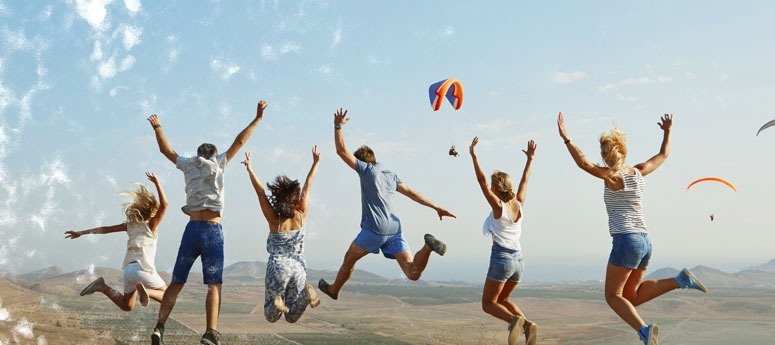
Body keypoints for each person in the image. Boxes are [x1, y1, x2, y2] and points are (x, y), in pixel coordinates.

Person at [556, 112, 708, 345]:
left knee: (612, 296)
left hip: (626, 241)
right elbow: (663, 155)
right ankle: (679, 280)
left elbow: (583, 164)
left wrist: (566, 138)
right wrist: (667, 131)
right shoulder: (638, 172)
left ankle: (644, 331)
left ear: (606, 157)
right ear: (623, 152)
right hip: (644, 241)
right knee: (631, 297)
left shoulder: (611, 177)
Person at [147, 100, 267, 345]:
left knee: (177, 282)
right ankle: (210, 333)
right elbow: (240, 142)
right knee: (214, 284)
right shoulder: (218, 163)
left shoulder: (188, 165)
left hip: (191, 229)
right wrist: (257, 119)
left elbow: (166, 151)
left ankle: (159, 326)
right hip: (212, 231)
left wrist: (158, 127)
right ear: (213, 154)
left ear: (197, 154)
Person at [318, 108, 457, 300]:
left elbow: (341, 151)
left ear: (362, 163)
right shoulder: (390, 175)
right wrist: (436, 207)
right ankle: (427, 247)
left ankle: (334, 290)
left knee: (349, 260)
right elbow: (412, 193)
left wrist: (338, 126)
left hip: (375, 229)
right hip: (395, 228)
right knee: (413, 273)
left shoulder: (366, 170)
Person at [65, 172, 168, 311]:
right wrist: (157, 183)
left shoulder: (129, 226)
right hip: (143, 269)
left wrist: (81, 233)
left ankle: (102, 287)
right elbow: (165, 205)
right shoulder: (151, 226)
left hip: (129, 270)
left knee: (127, 305)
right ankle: (147, 292)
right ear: (151, 212)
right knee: (168, 297)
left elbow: (105, 229)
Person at [469, 136, 538, 345]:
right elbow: (525, 181)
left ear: (497, 189)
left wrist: (473, 155)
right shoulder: (519, 204)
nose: (489, 188)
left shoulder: (498, 207)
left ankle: (515, 320)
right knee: (504, 300)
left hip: (502, 259)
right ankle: (528, 325)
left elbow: (480, 181)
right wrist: (530, 160)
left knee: (488, 304)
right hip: (519, 262)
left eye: (492, 186)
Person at [241, 146, 321, 323]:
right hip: (298, 267)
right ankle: (306, 296)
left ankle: (277, 302)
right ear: (296, 198)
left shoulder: (274, 219)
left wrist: (250, 169)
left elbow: (260, 192)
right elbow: (308, 185)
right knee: (292, 316)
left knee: (271, 316)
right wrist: (315, 163)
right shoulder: (301, 215)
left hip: (278, 266)